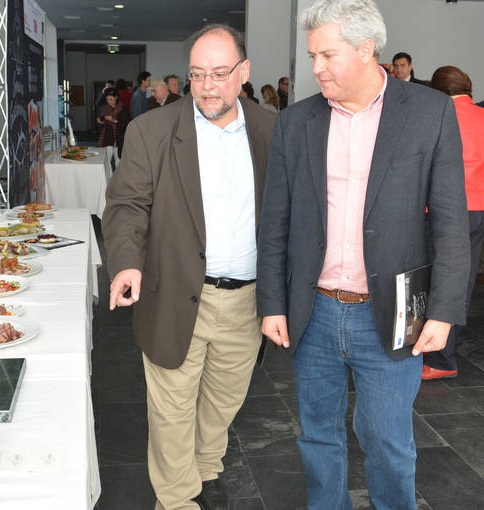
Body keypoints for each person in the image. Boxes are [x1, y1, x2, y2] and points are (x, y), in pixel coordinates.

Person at [256, 1, 470, 509]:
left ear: (367, 48)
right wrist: (272, 303)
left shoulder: (428, 112)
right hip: (315, 311)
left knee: (388, 444)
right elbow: (276, 223)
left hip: (395, 312)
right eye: (312, 56)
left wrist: (443, 312)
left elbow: (450, 223)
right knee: (317, 438)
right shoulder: (296, 122)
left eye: (327, 55)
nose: (316, 68)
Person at [103, 23, 275, 510]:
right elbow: (127, 206)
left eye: (220, 74)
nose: (207, 86)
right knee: (173, 408)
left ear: (243, 72)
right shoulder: (152, 130)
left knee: (223, 401)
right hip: (173, 293)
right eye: (197, 74)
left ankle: (201, 465)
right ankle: (176, 500)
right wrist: (126, 264)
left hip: (246, 301)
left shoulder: (270, 131)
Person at [424, 66, 484, 379]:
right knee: (463, 281)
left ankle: (439, 358)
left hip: (444, 210)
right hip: (478, 211)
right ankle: (447, 355)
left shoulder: (440, 117)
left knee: (438, 280)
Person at [96, 87, 127, 170]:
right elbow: (103, 122)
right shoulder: (106, 108)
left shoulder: (122, 108)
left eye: (111, 99)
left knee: (118, 159)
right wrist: (101, 121)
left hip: (118, 137)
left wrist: (113, 120)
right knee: (107, 159)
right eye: (107, 100)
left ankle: (118, 179)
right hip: (108, 136)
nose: (109, 102)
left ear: (116, 97)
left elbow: (124, 123)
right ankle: (108, 178)